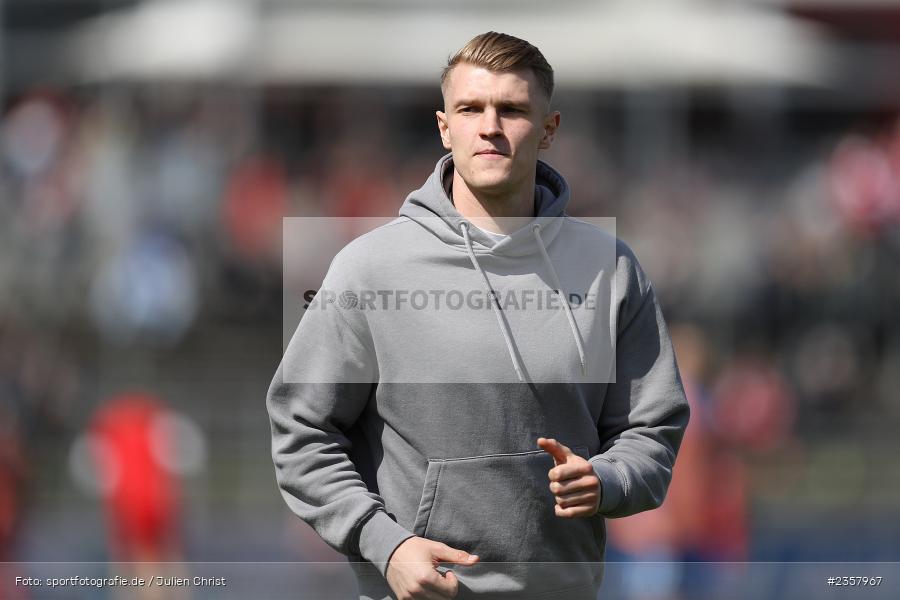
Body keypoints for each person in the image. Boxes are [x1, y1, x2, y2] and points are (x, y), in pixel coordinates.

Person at [267, 32, 690, 600]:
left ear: (549, 128)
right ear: (445, 126)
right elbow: (302, 433)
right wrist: (384, 543)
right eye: (471, 108)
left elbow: (651, 429)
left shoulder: (610, 267)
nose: (490, 126)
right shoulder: (368, 268)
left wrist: (608, 479)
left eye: (512, 109)